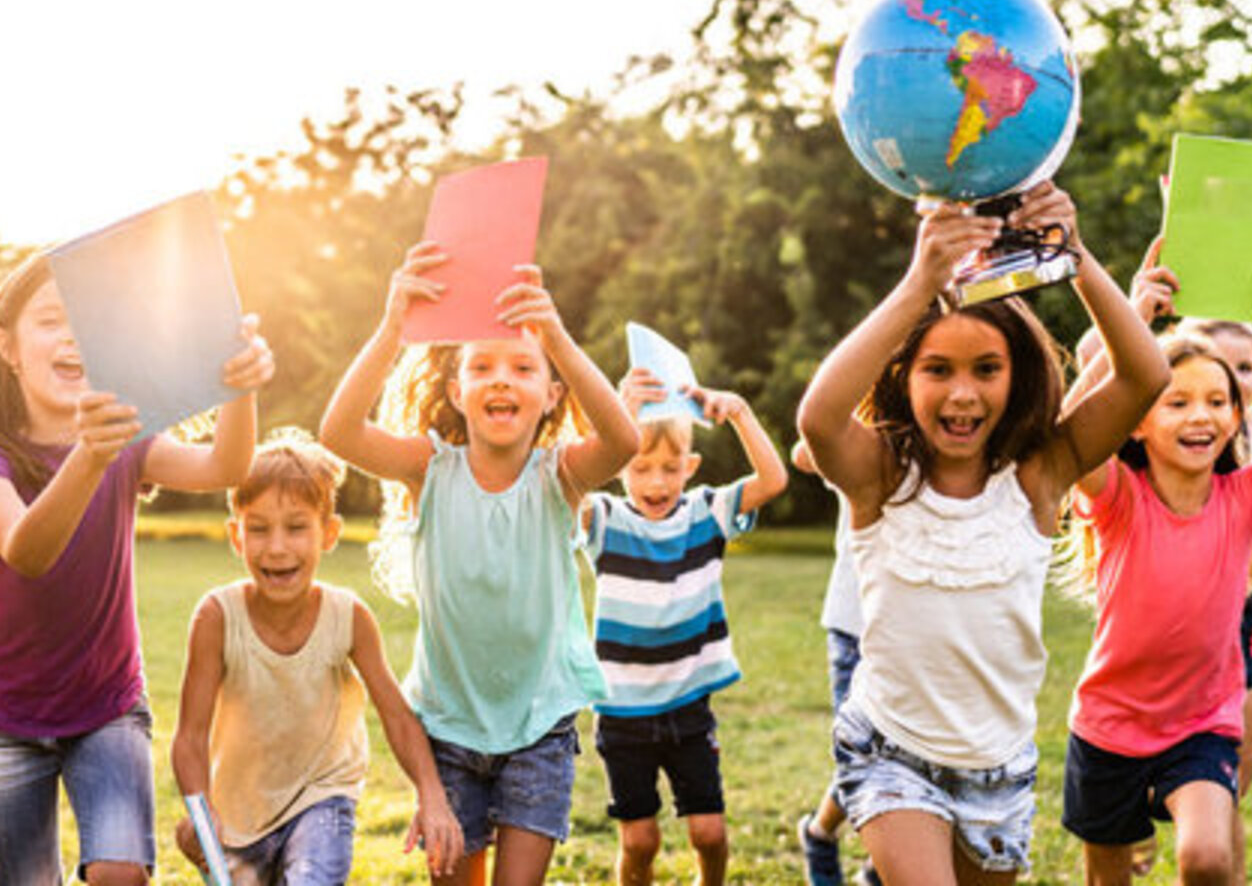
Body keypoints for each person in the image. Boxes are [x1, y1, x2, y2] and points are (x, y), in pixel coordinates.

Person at [796, 182, 1168, 885]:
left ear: (1016, 377)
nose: (963, 393)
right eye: (937, 370)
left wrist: (1076, 257)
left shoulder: (1039, 476)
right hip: (891, 750)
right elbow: (818, 418)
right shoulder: (880, 477)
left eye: (986, 370)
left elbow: (1146, 375)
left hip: (998, 765)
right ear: (905, 378)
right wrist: (920, 283)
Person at [318, 241, 639, 886]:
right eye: (482, 366)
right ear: (457, 391)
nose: (500, 379)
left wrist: (557, 336)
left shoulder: (560, 476)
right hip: (448, 731)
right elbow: (339, 433)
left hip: (539, 728)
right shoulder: (430, 469)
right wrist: (392, 328)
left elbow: (624, 440)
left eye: (523, 367)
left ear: (552, 394)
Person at [0, 252, 274, 886]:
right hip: (4, 716)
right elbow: (26, 549)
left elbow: (225, 468)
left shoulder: (127, 440)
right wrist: (91, 455)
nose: (73, 337)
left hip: (106, 706)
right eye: (51, 320)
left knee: (121, 873)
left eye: (91, 323)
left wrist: (240, 390)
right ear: (7, 346)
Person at [1060, 258, 1252, 886]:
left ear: (1235, 417)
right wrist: (1135, 317)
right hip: (1107, 729)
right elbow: (1064, 435)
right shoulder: (1118, 496)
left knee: (1207, 859)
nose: (1200, 416)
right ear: (1138, 420)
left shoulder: (1249, 495)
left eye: (1216, 402)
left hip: (1202, 727)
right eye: (1176, 402)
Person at [169, 430, 463, 884]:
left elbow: (397, 716)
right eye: (258, 528)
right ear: (236, 536)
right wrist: (200, 811)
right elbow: (190, 736)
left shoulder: (348, 617)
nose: (277, 547)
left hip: (322, 797)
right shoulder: (217, 617)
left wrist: (431, 794)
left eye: (296, 527)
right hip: (239, 815)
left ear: (329, 533)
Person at [579, 369, 788, 886]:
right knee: (640, 841)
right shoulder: (604, 519)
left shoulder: (707, 513)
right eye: (640, 466)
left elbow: (773, 480)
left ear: (690, 466)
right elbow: (563, 484)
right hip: (623, 711)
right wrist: (615, 421)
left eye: (670, 468)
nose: (656, 483)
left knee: (710, 834)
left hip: (688, 707)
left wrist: (739, 413)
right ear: (618, 465)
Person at [790, 441, 881, 886]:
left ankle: (880, 868)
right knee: (861, 756)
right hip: (856, 627)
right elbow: (803, 454)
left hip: (921, 635)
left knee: (916, 757)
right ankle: (820, 833)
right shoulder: (867, 441)